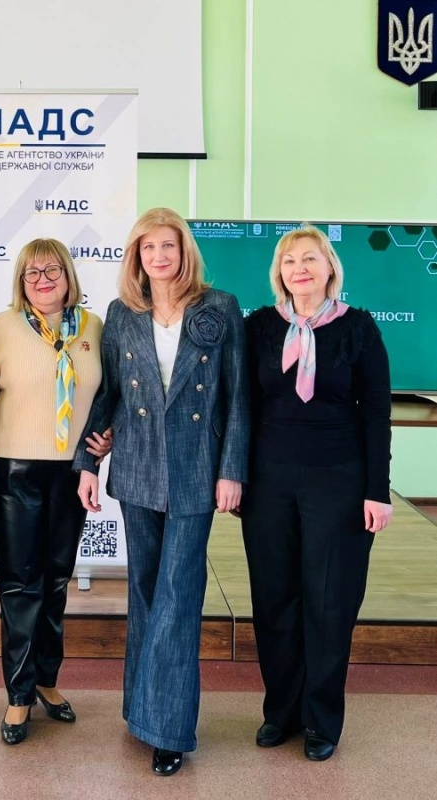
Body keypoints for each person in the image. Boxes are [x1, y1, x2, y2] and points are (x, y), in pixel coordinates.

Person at [74, 207, 249, 776]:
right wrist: (88, 461)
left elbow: (237, 396)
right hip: (137, 469)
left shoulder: (219, 307)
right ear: (137, 256)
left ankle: (169, 729)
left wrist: (232, 470)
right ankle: (141, 711)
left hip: (197, 471)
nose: (159, 256)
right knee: (146, 591)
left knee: (178, 594)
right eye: (148, 248)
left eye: (168, 246)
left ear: (184, 251)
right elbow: (110, 394)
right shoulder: (122, 313)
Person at [242, 225, 393, 761]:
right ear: (279, 273)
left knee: (330, 602)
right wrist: (234, 476)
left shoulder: (358, 328)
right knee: (274, 599)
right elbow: (241, 408)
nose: (299, 268)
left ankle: (321, 720)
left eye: (310, 258)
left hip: (340, 482)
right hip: (269, 483)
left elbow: (376, 414)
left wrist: (378, 490)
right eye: (289, 260)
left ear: (330, 267)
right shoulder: (260, 327)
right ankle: (281, 711)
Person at [0, 238, 109, 746]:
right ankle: (18, 694)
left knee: (56, 581)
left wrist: (104, 439)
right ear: (20, 281)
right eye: (32, 273)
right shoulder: (3, 328)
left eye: (52, 270)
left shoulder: (93, 328)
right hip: (15, 470)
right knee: (19, 583)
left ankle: (47, 680)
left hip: (72, 472)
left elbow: (108, 396)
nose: (42, 280)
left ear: (68, 275)